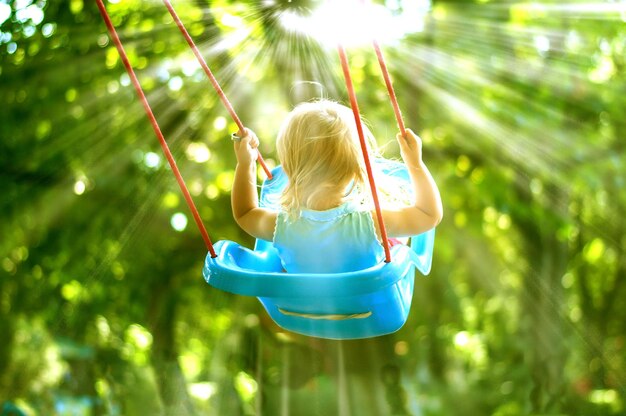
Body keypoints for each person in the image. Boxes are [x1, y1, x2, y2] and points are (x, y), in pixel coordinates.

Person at [231, 100, 442, 273]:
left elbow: (245, 213)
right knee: (396, 239)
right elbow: (428, 215)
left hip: (300, 310)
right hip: (369, 307)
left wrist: (245, 163)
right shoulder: (371, 222)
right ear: (354, 168)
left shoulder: (282, 225)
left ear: (289, 167)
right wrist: (415, 163)